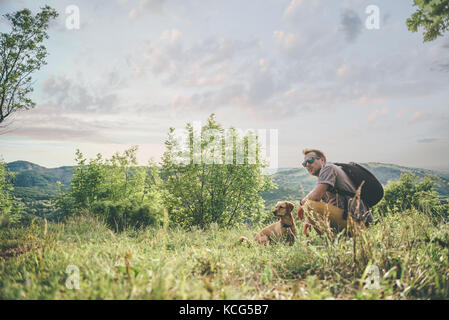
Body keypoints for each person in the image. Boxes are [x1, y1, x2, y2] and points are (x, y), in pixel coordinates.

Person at [297, 148, 373, 236]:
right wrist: (309, 219)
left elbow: (315, 197)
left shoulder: (328, 168)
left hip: (356, 220)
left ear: (322, 160)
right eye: (304, 163)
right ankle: (335, 240)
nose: (308, 165)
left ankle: (331, 241)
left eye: (310, 160)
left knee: (310, 204)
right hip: (353, 219)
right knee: (310, 204)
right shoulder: (326, 180)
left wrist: (301, 204)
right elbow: (318, 198)